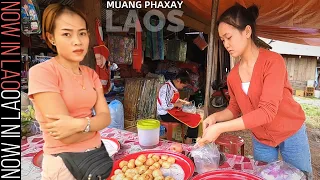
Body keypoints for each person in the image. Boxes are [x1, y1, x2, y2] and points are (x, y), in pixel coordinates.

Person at [198, 3, 312, 178]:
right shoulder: (233, 75)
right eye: (222, 40)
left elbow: (267, 112)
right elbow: (234, 109)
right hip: (261, 137)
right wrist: (215, 117)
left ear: (247, 31)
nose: (226, 44)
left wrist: (220, 128)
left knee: (301, 176)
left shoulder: (273, 62)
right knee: (263, 175)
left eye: (229, 37)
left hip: (290, 131)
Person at [28, 4, 112, 179]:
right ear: (51, 38)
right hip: (64, 165)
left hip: (97, 159)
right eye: (67, 34)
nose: (77, 41)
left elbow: (106, 118)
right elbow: (66, 138)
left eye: (82, 33)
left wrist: (79, 125)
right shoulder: (43, 72)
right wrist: (94, 125)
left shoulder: (91, 74)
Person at [157, 70, 202, 144]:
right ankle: (189, 140)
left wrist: (182, 102)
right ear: (178, 81)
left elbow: (172, 100)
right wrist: (177, 104)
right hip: (166, 114)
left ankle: (189, 138)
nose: (182, 88)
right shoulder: (167, 88)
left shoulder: (172, 87)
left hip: (172, 111)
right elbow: (165, 106)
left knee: (194, 115)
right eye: (183, 86)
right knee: (193, 118)